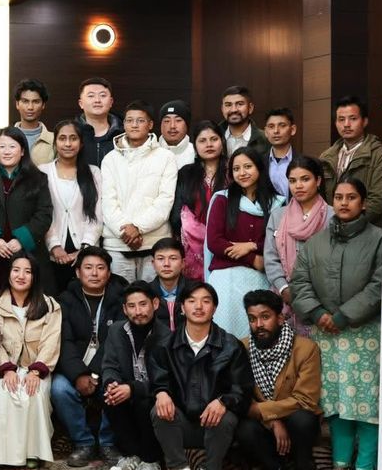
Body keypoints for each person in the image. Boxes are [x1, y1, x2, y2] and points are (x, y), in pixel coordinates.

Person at [291, 177, 382, 470]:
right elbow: (299, 281)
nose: (344, 203)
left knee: (366, 402)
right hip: (326, 334)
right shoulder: (315, 242)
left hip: (365, 333)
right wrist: (318, 313)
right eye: (339, 197)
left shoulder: (379, 239)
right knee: (335, 401)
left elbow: (379, 284)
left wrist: (344, 315)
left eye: (352, 197)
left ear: (363, 202)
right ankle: (340, 466)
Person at [148, 282, 251, 470]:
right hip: (181, 424)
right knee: (159, 409)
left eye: (206, 301)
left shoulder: (231, 346)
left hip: (215, 425)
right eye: (192, 301)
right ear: (182, 307)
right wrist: (161, 393)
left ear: (214, 308)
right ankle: (180, 469)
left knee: (225, 415)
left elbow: (242, 389)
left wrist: (223, 401)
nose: (199, 306)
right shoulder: (165, 345)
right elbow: (158, 380)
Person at [235, 289, 321, 470]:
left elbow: (306, 399)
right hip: (263, 424)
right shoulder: (242, 348)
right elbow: (242, 397)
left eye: (265, 317)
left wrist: (267, 412)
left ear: (280, 318)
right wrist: (273, 422)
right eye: (252, 319)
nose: (258, 324)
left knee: (303, 419)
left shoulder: (305, 348)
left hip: (295, 419)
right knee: (244, 428)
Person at [52, 246, 125, 465]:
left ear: (108, 273)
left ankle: (107, 443)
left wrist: (93, 374)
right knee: (59, 388)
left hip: (108, 367)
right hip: (73, 368)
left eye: (100, 268)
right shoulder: (65, 300)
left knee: (116, 387)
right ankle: (83, 442)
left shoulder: (120, 300)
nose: (94, 273)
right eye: (88, 267)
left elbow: (116, 342)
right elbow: (64, 342)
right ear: (78, 272)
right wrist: (78, 375)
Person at [0, 253, 62, 468]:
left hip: (37, 368)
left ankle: (33, 452)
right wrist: (7, 369)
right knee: (7, 390)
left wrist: (36, 371)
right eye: (16, 270)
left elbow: (51, 341)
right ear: (8, 274)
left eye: (28, 271)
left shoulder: (50, 306)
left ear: (35, 276)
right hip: (6, 368)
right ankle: (6, 456)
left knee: (34, 391)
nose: (21, 276)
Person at [204, 147, 282, 340]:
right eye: (236, 169)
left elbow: (278, 239)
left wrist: (251, 246)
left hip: (260, 279)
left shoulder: (277, 203)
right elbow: (215, 241)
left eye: (248, 166)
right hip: (225, 278)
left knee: (257, 335)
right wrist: (252, 259)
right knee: (225, 337)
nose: (242, 173)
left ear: (259, 168)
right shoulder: (222, 199)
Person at [99, 100, 178, 282]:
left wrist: (138, 228)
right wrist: (126, 233)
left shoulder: (166, 157)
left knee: (152, 296)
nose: (134, 125)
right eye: (129, 120)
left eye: (140, 120)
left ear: (150, 125)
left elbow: (165, 200)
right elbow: (108, 201)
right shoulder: (110, 159)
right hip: (117, 243)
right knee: (120, 296)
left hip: (154, 243)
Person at [99, 282, 169, 470]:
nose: (138, 311)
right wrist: (112, 383)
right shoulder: (116, 330)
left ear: (155, 304)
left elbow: (166, 380)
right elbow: (109, 365)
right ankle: (131, 455)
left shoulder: (166, 336)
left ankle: (151, 459)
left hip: (154, 394)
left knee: (143, 403)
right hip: (126, 388)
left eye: (143, 304)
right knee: (109, 396)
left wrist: (132, 388)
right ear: (124, 309)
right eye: (131, 306)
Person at [0, 127, 53, 298]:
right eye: (1, 146)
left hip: (27, 253)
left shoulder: (38, 178)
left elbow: (44, 214)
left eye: (12, 146)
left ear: (22, 151)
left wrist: (21, 239)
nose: (6, 151)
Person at [41, 119, 102, 296]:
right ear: (55, 143)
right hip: (50, 253)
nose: (68, 143)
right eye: (62, 138)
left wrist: (84, 249)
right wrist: (54, 246)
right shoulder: (43, 171)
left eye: (73, 138)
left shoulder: (93, 173)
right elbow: (42, 213)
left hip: (85, 254)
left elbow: (97, 214)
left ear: (81, 143)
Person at [264, 156, 327, 316]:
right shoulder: (278, 216)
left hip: (323, 299)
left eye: (305, 179)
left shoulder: (332, 216)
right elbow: (270, 258)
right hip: (283, 298)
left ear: (318, 181)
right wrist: (284, 288)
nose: (298, 186)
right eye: (292, 181)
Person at [171, 121, 227, 282]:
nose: (209, 144)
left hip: (226, 243)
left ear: (222, 142)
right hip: (191, 248)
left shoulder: (233, 171)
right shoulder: (186, 173)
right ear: (195, 146)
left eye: (214, 139)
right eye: (202, 140)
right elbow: (178, 211)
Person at [318, 95, 382, 226]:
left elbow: (379, 199)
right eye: (341, 119)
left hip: (366, 228)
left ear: (364, 121)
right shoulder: (326, 157)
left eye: (353, 119)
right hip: (331, 227)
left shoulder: (379, 155)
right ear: (335, 123)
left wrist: (350, 224)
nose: (346, 124)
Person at [75, 77, 122, 168]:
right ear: (81, 103)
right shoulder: (72, 133)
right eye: (91, 96)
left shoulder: (123, 134)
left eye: (103, 95)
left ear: (111, 102)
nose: (97, 100)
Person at [149, 238, 189, 334]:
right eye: (160, 259)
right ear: (153, 264)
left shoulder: (195, 291)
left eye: (173, 258)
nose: (166, 264)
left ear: (183, 263)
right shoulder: (146, 293)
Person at [12, 79, 56, 165]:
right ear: (17, 104)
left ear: (43, 105)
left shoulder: (54, 140)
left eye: (36, 102)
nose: (30, 107)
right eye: (25, 101)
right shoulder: (5, 138)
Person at [261, 108, 297, 196]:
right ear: (266, 132)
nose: (276, 131)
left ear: (293, 130)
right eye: (271, 126)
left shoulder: (305, 162)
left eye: (282, 125)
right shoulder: (258, 162)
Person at [220, 86, 264, 154]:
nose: (233, 110)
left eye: (240, 104)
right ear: (222, 109)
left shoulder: (264, 139)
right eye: (228, 105)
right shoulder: (214, 136)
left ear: (250, 108)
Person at [158, 100, 195, 167]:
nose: (172, 126)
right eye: (167, 121)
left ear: (187, 125)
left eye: (178, 120)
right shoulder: (150, 151)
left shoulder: (196, 153)